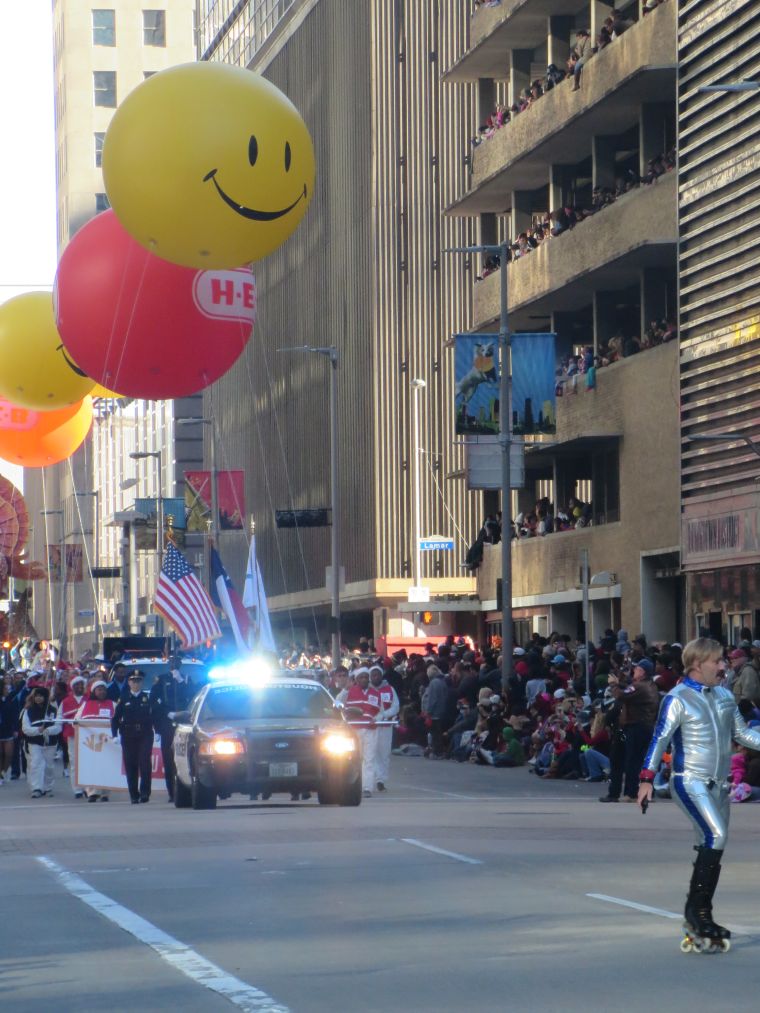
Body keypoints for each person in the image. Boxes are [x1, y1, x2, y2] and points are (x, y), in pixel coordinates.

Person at [638, 638, 760, 950]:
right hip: (689, 781)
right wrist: (647, 778)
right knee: (716, 835)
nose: (723, 667)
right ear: (696, 664)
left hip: (720, 784)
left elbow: (743, 734)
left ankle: (700, 914)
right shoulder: (677, 698)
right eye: (716, 661)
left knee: (712, 843)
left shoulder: (724, 696)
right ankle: (698, 913)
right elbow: (660, 739)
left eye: (723, 661)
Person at [149, 659, 197, 803]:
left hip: (184, 723)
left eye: (177, 663)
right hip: (167, 724)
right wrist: (165, 714)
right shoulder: (162, 680)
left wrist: (181, 681)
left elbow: (193, 697)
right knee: (169, 760)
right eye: (172, 663)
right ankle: (172, 792)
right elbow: (153, 700)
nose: (174, 666)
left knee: (185, 758)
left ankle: (189, 790)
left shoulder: (186, 679)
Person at [111, 671, 155, 804]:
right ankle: (134, 795)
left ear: (142, 683)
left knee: (145, 762)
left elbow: (155, 716)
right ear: (129, 683)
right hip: (128, 735)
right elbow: (116, 718)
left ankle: (145, 793)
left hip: (145, 734)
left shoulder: (147, 698)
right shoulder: (123, 698)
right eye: (133, 681)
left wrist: (157, 730)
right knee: (130, 764)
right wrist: (114, 735)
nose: (136, 684)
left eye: (138, 681)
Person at [75, 680, 115, 801]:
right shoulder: (85, 705)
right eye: (99, 690)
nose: (102, 692)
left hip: (108, 743)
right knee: (92, 766)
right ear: (94, 692)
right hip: (91, 743)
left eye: (104, 689)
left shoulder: (113, 704)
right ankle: (92, 792)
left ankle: (105, 793)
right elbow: (76, 721)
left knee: (106, 766)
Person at [344, 668, 381, 797]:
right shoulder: (349, 692)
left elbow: (380, 712)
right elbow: (341, 706)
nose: (364, 679)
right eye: (361, 677)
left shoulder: (375, 693)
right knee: (354, 759)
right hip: (354, 730)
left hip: (370, 730)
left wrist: (376, 719)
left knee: (369, 759)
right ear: (357, 679)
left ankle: (367, 788)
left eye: (366, 677)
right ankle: (354, 785)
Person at [21, 686, 62, 798]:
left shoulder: (53, 710)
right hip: (34, 742)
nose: (38, 698)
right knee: (36, 764)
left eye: (41, 696)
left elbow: (58, 727)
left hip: (50, 743)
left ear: (46, 697)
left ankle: (48, 787)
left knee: (49, 766)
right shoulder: (28, 711)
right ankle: (36, 788)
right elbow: (25, 729)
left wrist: (48, 730)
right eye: (36, 696)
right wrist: (38, 730)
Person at [370, 664, 399, 792]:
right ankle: (373, 779)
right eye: (373, 675)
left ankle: (381, 780)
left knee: (384, 753)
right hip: (370, 726)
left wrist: (384, 715)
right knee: (371, 752)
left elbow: (396, 706)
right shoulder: (366, 690)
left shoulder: (389, 689)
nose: (376, 677)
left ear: (381, 676)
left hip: (385, 726)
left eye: (378, 675)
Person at [61, 675, 87, 798]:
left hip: (87, 735)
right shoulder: (66, 701)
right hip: (72, 734)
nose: (80, 687)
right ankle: (77, 789)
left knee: (86, 761)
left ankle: (87, 787)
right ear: (72, 687)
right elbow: (61, 717)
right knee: (74, 762)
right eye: (77, 685)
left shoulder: (89, 699)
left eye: (82, 685)